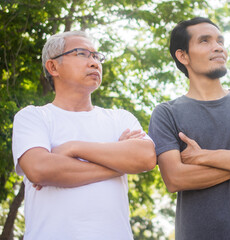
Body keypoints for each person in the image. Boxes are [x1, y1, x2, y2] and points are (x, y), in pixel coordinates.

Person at [12, 31, 156, 240]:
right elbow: (40, 168)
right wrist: (118, 164)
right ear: (53, 67)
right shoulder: (33, 116)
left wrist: (72, 148)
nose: (94, 62)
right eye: (82, 54)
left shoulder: (120, 118)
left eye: (97, 56)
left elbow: (147, 157)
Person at [148, 17, 230, 239]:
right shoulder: (166, 113)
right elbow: (175, 179)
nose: (218, 47)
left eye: (220, 41)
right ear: (183, 56)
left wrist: (203, 157)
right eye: (205, 41)